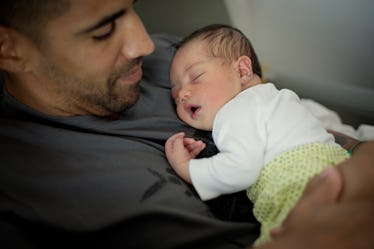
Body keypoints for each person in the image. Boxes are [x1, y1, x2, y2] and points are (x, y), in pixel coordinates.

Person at [0, 1, 372, 249]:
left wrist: (358, 153)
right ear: (9, 49)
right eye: (102, 31)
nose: (145, 44)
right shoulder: (30, 191)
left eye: (132, 7)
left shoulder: (170, 56)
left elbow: (286, 114)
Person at [164, 24, 350, 245]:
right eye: (175, 95)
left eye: (196, 77)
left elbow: (241, 169)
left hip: (297, 184)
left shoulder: (235, 110)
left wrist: (189, 170)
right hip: (337, 166)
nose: (183, 94)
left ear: (242, 71)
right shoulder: (271, 97)